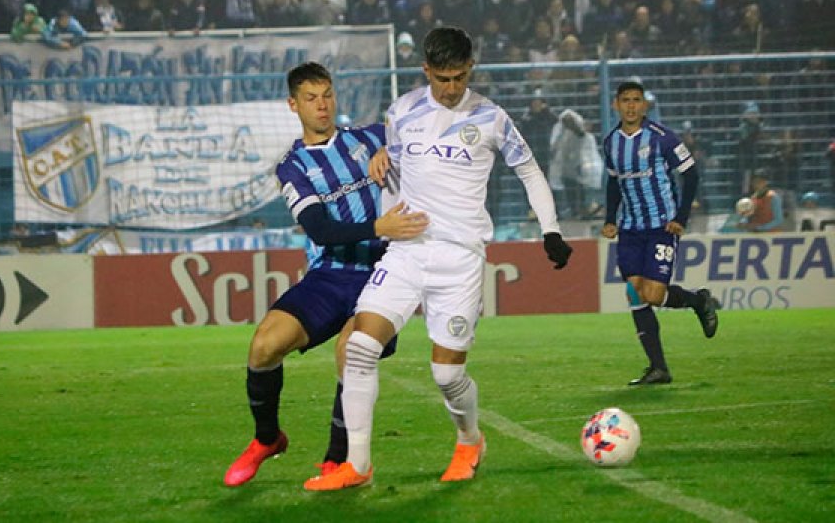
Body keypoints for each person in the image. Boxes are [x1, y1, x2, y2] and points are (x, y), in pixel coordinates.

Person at [304, 26, 573, 491]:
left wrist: (550, 229)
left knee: (447, 373)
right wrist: (385, 203)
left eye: (460, 78)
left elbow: (528, 169)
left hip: (459, 257)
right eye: (443, 79)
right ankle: (358, 464)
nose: (451, 89)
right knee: (361, 347)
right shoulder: (402, 111)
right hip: (407, 249)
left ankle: (469, 440)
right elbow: (396, 174)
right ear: (426, 71)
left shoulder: (491, 118)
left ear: (471, 69)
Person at [223, 62, 430, 487]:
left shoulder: (369, 137)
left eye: (328, 95)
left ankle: (338, 459)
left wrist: (393, 149)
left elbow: (418, 128)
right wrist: (378, 227)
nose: (322, 105)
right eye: (311, 98)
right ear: (293, 105)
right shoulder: (292, 167)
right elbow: (321, 229)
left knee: (349, 349)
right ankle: (267, 439)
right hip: (329, 275)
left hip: (384, 274)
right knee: (264, 345)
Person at [600, 80, 720, 386]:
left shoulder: (663, 139)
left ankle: (697, 301)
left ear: (645, 105)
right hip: (630, 229)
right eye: (625, 100)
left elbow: (691, 175)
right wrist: (611, 218)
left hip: (661, 226)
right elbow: (614, 183)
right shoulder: (610, 142)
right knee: (633, 292)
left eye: (636, 100)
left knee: (653, 294)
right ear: (616, 104)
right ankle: (658, 367)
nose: (630, 105)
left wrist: (681, 217)